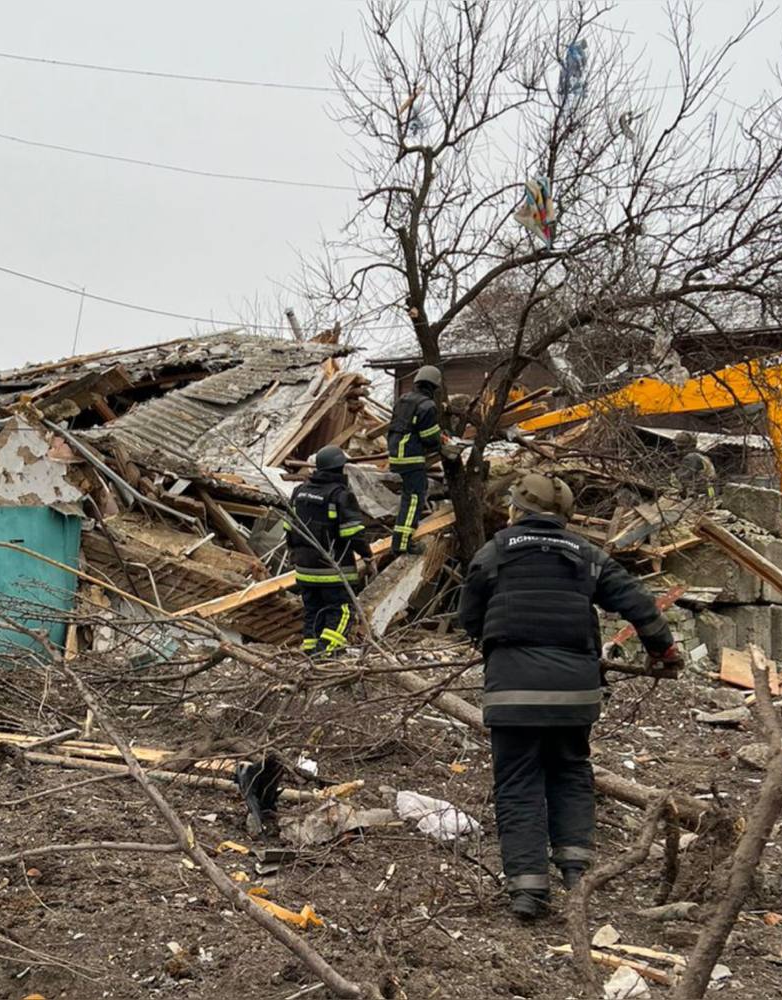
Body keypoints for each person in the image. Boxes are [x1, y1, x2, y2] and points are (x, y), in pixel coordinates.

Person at [458, 473, 682, 919]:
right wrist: (664, 651)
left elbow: (469, 618)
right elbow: (638, 602)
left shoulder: (495, 552)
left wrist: (497, 643)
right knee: (570, 772)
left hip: (513, 693)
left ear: (516, 509)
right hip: (574, 693)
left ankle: (527, 892)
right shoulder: (589, 555)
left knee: (518, 785)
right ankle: (577, 873)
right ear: (565, 516)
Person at [285, 446, 374, 657]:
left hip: (305, 569)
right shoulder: (340, 495)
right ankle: (326, 655)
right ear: (339, 468)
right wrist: (368, 555)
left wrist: (295, 557)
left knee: (313, 612)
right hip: (333, 570)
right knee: (342, 611)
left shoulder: (299, 492)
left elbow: (289, 530)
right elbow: (354, 535)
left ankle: (310, 655)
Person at [387, 365, 444, 555]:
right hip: (411, 457)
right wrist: (442, 442)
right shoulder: (427, 406)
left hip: (397, 454)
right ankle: (402, 544)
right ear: (434, 386)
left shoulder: (403, 400)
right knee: (413, 500)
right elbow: (429, 437)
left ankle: (400, 540)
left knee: (408, 498)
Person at [674, 432, 717, 501]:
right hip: (710, 492)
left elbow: (684, 477)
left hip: (701, 494)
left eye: (680, 447)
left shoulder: (691, 457)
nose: (677, 451)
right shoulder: (702, 457)